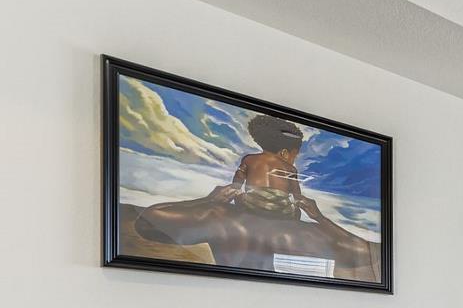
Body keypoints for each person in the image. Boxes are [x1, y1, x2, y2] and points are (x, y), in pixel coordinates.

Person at [132, 114, 379, 280]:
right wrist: (319, 217)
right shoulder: (308, 233)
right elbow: (364, 252)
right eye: (295, 154)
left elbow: (148, 221)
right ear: (286, 152)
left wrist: (209, 200)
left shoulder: (222, 218)